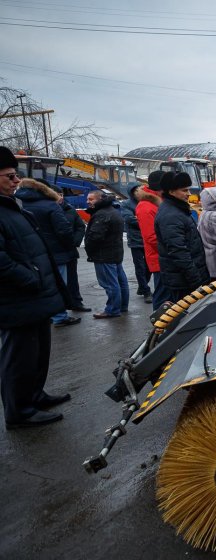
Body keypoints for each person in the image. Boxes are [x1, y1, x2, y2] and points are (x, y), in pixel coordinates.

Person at [0, 146, 71, 428]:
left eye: (16, 175)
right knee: (19, 357)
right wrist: (30, 278)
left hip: (34, 297)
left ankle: (34, 395)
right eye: (9, 176)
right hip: (17, 298)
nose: (17, 181)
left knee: (38, 352)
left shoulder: (11, 206)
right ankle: (20, 412)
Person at [15, 178, 80, 327]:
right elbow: (63, 230)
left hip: (29, 253)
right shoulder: (50, 205)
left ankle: (44, 314)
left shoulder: (17, 204)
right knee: (59, 283)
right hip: (56, 252)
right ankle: (59, 316)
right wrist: (68, 246)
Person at [155, 172, 210, 302]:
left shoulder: (178, 210)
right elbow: (178, 251)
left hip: (186, 278)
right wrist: (195, 280)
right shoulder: (171, 215)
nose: (189, 193)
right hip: (184, 281)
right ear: (171, 191)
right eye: (184, 190)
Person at [85, 190, 129, 319]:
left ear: (100, 199)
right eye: (88, 199)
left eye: (91, 199)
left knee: (110, 284)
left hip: (104, 255)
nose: (88, 201)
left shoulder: (102, 214)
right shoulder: (113, 211)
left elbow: (95, 237)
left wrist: (90, 249)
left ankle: (112, 310)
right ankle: (122, 306)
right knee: (120, 282)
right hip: (115, 253)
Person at [136, 170, 167, 308]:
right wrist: (172, 249)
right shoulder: (146, 207)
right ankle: (159, 325)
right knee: (162, 295)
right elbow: (152, 237)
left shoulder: (159, 202)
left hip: (165, 256)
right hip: (159, 258)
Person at [59, 192, 90, 312]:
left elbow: (80, 226)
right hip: (55, 251)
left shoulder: (69, 209)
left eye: (61, 194)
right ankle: (59, 309)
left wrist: (75, 241)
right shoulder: (48, 209)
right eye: (57, 194)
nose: (60, 197)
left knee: (72, 278)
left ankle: (76, 303)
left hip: (70, 250)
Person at [122, 184, 152, 303]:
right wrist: (145, 219)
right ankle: (146, 291)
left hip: (148, 239)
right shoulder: (126, 204)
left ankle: (142, 286)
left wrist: (139, 218)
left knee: (149, 266)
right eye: (135, 191)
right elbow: (129, 220)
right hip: (136, 240)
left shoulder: (147, 201)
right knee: (139, 267)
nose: (138, 193)